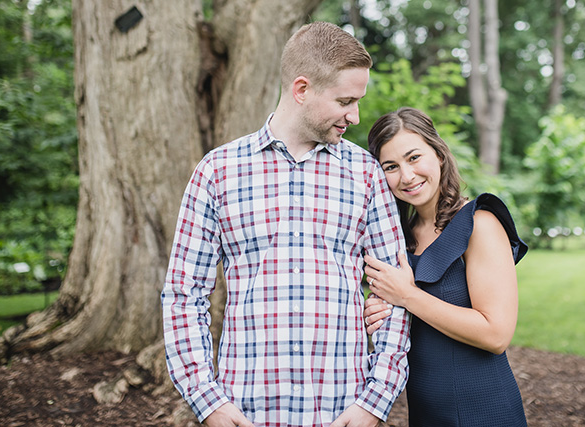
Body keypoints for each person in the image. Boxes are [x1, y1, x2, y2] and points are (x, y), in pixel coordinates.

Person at [162, 22, 410, 427]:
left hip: (343, 410)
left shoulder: (366, 174)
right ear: (301, 89)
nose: (356, 115)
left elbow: (397, 294)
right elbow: (183, 297)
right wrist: (207, 401)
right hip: (245, 411)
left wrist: (375, 401)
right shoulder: (217, 172)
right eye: (346, 100)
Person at [362, 107, 529, 427]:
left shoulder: (480, 223)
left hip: (484, 412)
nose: (407, 176)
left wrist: (407, 296)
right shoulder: (398, 240)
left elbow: (496, 333)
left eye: (414, 158)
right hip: (425, 413)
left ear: (439, 154)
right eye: (391, 166)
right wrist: (378, 311)